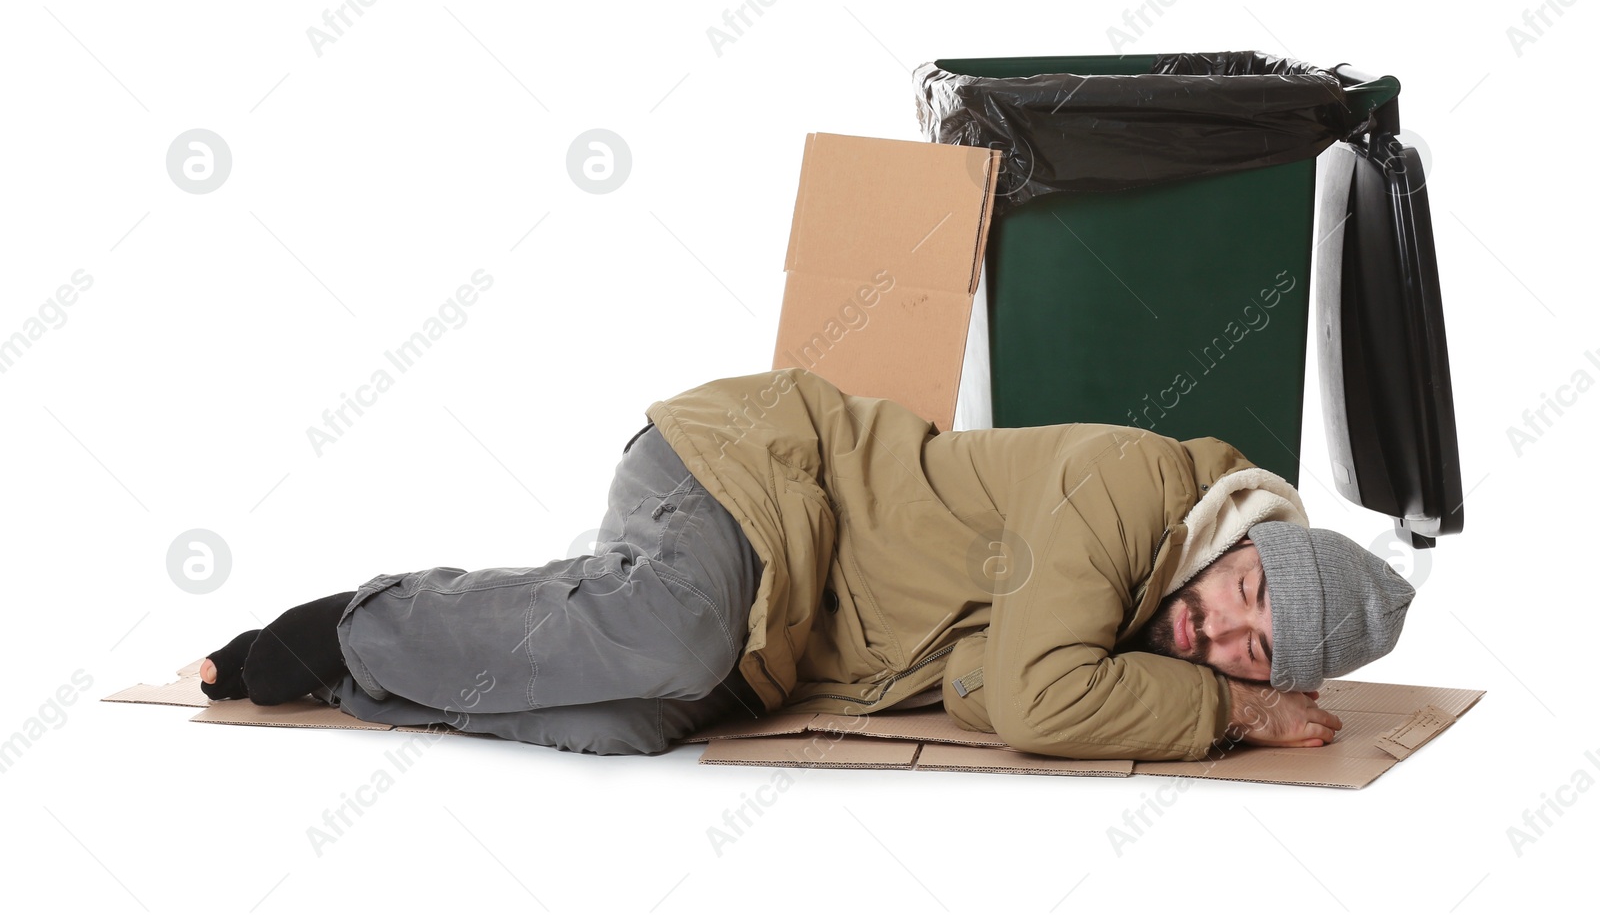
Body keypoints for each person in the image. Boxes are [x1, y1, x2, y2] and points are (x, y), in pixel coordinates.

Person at [196, 366, 1414, 759]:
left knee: (630, 720)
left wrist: (1139, 686)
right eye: (1248, 596)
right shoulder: (1137, 482)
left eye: (1251, 648)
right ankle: (345, 625)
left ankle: (370, 686)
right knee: (672, 635)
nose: (1218, 634)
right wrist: (1228, 709)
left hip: (777, 638)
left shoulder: (1122, 615)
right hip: (754, 480)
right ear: (1250, 536)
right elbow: (1045, 707)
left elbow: (990, 689)